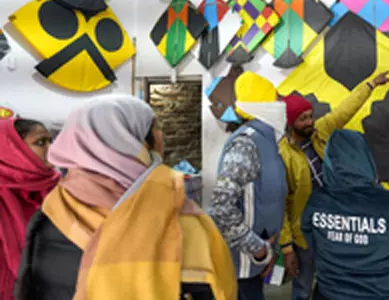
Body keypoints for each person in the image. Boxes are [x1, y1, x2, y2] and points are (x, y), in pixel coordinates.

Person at [13, 95, 236, 300]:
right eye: (156, 127)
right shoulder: (177, 216)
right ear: (133, 140)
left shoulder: (51, 211)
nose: (162, 136)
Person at [279, 72, 389, 299]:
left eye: (310, 116)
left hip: (332, 225)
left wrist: (369, 85)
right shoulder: (283, 155)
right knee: (302, 285)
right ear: (291, 123)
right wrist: (287, 247)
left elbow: (344, 110)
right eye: (303, 119)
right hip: (305, 233)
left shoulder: (320, 132)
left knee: (334, 281)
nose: (309, 122)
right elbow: (281, 204)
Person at [301, 129, 389, 300]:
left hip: (330, 294)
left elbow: (309, 237)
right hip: (379, 294)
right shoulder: (387, 202)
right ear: (366, 158)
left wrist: (337, 245)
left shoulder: (318, 200)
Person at [209, 71, 288, 300]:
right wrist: (258, 248)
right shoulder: (247, 142)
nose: (280, 104)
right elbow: (221, 206)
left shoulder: (268, 142)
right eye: (275, 98)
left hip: (256, 261)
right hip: (242, 264)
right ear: (262, 104)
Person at [0, 118, 60, 300]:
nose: (51, 148)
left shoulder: (60, 188)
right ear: (13, 149)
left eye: (51, 141)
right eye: (40, 142)